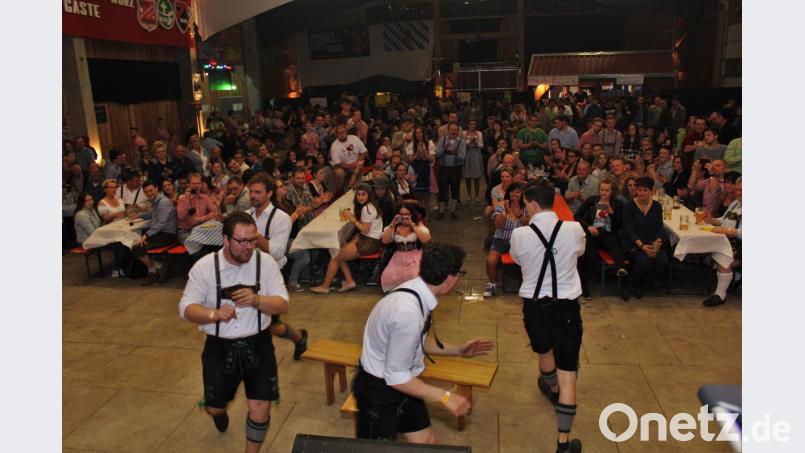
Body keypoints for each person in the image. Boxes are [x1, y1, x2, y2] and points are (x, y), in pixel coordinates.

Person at [353, 243, 493, 443]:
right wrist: (445, 396)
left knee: (426, 443)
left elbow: (417, 343)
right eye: (460, 273)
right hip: (379, 392)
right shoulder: (407, 312)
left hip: (405, 384)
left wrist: (457, 350)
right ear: (447, 280)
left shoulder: (417, 292)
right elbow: (396, 377)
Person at [178, 212, 289, 453]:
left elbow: (283, 304)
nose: (249, 247)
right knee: (215, 407)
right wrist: (213, 314)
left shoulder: (265, 263)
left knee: (260, 405)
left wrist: (257, 299)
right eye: (242, 241)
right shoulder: (205, 267)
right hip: (219, 346)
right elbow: (185, 308)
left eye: (253, 240)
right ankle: (218, 412)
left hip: (258, 344)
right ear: (226, 240)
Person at [509, 179, 586, 453]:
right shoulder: (574, 229)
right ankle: (563, 443)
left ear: (531, 203)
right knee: (569, 376)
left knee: (543, 351)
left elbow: (517, 260)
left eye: (524, 204)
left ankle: (550, 388)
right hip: (565, 307)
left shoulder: (519, 234)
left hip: (534, 307)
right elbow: (579, 253)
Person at [245, 173, 309, 360]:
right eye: (251, 192)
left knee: (268, 324)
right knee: (255, 321)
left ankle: (297, 339)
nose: (253, 196)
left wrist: (255, 235)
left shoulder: (281, 218)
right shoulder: (246, 215)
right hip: (248, 273)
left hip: (271, 275)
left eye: (258, 192)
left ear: (269, 193)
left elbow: (277, 252)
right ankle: (298, 338)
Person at [310, 183, 383, 294]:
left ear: (369, 195)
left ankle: (325, 286)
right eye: (358, 194)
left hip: (368, 242)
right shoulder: (370, 206)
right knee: (337, 249)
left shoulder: (367, 209)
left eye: (363, 194)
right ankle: (349, 281)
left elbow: (365, 230)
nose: (360, 197)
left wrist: (352, 219)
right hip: (370, 240)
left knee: (335, 255)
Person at [573, 178, 628, 299]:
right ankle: (584, 288)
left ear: (611, 191)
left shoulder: (617, 204)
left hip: (608, 233)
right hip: (593, 233)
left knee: (614, 243)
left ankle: (621, 268)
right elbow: (576, 215)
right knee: (589, 256)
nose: (604, 193)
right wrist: (588, 227)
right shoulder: (592, 200)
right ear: (599, 190)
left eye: (607, 190)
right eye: (602, 190)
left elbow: (620, 225)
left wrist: (612, 213)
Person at [619, 177, 669, 300]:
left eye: (645, 190)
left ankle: (643, 284)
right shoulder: (628, 206)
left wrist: (658, 241)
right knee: (644, 260)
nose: (641, 193)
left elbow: (659, 228)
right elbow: (629, 230)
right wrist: (642, 246)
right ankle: (628, 283)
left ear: (651, 191)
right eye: (639, 190)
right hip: (633, 244)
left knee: (663, 259)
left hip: (651, 242)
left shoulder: (656, 206)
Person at [701, 177, 742, 307]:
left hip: (741, 245)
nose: (739, 193)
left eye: (742, 190)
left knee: (723, 255)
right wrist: (712, 220)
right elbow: (724, 219)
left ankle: (720, 294)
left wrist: (727, 230)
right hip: (728, 240)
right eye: (737, 190)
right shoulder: (736, 203)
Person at [484, 183, 529, 298]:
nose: (514, 194)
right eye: (512, 191)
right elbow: (498, 225)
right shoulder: (501, 206)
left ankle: (528, 284)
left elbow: (528, 225)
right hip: (501, 239)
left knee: (530, 260)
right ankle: (492, 284)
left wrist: (519, 214)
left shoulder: (526, 207)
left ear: (522, 194)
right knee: (490, 261)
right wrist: (507, 212)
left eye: (517, 192)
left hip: (520, 242)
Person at [132, 180, 178, 285]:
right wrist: (138, 215)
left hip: (167, 235)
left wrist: (146, 235)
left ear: (157, 188)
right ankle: (157, 266)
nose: (149, 193)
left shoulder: (163, 202)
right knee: (135, 245)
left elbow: (161, 224)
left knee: (137, 248)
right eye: (146, 192)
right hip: (160, 234)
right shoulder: (156, 201)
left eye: (151, 190)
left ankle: (153, 271)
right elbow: (152, 214)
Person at [74, 191, 128, 277]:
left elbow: (99, 226)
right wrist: (109, 236)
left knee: (122, 239)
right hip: (87, 241)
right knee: (119, 244)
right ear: (82, 202)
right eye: (87, 200)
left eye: (91, 199)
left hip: (95, 237)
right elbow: (92, 233)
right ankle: (116, 269)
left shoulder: (92, 210)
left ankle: (120, 266)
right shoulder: (81, 215)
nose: (90, 201)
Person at [380, 205, 431, 292]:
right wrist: (392, 224)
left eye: (407, 214)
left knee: (415, 275)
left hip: (415, 255)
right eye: (401, 214)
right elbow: (385, 240)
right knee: (387, 276)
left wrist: (412, 225)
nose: (404, 217)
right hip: (398, 256)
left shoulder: (418, 224)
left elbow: (425, 239)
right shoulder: (394, 226)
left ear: (412, 214)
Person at [435, 123, 467, 220]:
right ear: (448, 131)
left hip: (455, 169)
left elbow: (463, 157)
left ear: (458, 131)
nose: (453, 131)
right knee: (442, 190)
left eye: (455, 130)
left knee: (455, 190)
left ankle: (453, 211)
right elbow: (437, 154)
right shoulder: (442, 140)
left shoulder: (461, 142)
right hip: (444, 168)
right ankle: (441, 211)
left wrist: (456, 153)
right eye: (451, 129)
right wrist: (444, 149)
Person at [177, 173, 221, 241]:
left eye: (198, 183)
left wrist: (200, 219)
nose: (196, 186)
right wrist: (188, 199)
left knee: (218, 236)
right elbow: (181, 216)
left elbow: (215, 212)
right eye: (193, 184)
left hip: (201, 228)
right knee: (199, 240)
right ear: (188, 184)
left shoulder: (204, 197)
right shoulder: (182, 198)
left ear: (201, 184)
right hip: (186, 231)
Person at [330, 125, 368, 193]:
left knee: (360, 164)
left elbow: (364, 152)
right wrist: (350, 166)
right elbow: (338, 163)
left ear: (346, 132)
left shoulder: (354, 138)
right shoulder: (334, 146)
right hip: (344, 167)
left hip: (357, 164)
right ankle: (340, 190)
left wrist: (356, 163)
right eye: (339, 133)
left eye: (343, 132)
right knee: (339, 172)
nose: (341, 134)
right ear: (336, 135)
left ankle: (356, 183)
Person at [462, 119, 485, 204]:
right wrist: (468, 143)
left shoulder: (479, 133)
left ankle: (476, 196)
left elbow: (481, 145)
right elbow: (461, 144)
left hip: (476, 153)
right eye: (471, 124)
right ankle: (469, 196)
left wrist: (476, 144)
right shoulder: (464, 133)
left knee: (476, 176)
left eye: (474, 124)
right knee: (467, 177)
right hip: (467, 154)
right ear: (468, 125)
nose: (472, 126)